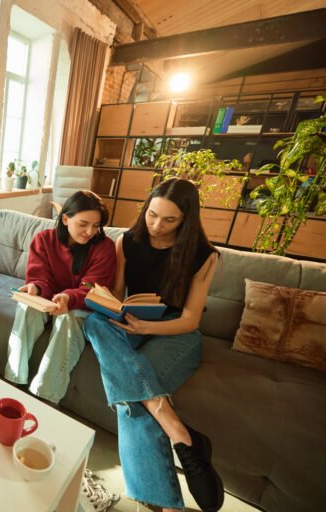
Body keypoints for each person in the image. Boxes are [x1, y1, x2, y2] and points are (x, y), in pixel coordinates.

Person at [82, 178, 224, 512]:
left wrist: (147, 325)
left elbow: (191, 320)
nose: (157, 226)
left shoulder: (204, 256)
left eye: (169, 220)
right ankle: (180, 433)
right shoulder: (127, 242)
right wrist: (104, 300)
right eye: (152, 215)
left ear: (186, 220)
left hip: (178, 335)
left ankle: (167, 503)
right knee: (93, 322)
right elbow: (119, 294)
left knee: (132, 403)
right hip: (135, 324)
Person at [4, 191, 116, 404]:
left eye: (96, 225)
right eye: (83, 224)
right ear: (65, 219)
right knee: (26, 307)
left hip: (80, 305)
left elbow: (94, 288)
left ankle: (45, 396)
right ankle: (13, 380)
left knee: (68, 319)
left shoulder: (105, 247)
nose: (90, 231)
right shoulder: (44, 240)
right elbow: (39, 277)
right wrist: (35, 288)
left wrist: (67, 297)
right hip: (50, 301)